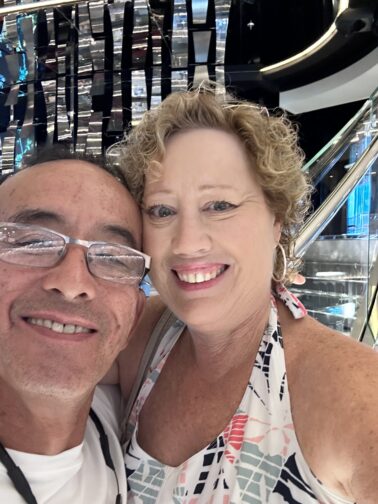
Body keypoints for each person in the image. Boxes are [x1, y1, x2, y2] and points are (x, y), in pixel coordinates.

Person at [115, 85, 378, 503]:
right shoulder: (138, 335)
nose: (187, 242)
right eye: (162, 211)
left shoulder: (351, 390)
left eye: (219, 205)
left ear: (276, 219)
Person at [0, 149, 149, 503]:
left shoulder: (119, 413)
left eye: (112, 257)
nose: (71, 282)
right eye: (34, 242)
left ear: (134, 318)